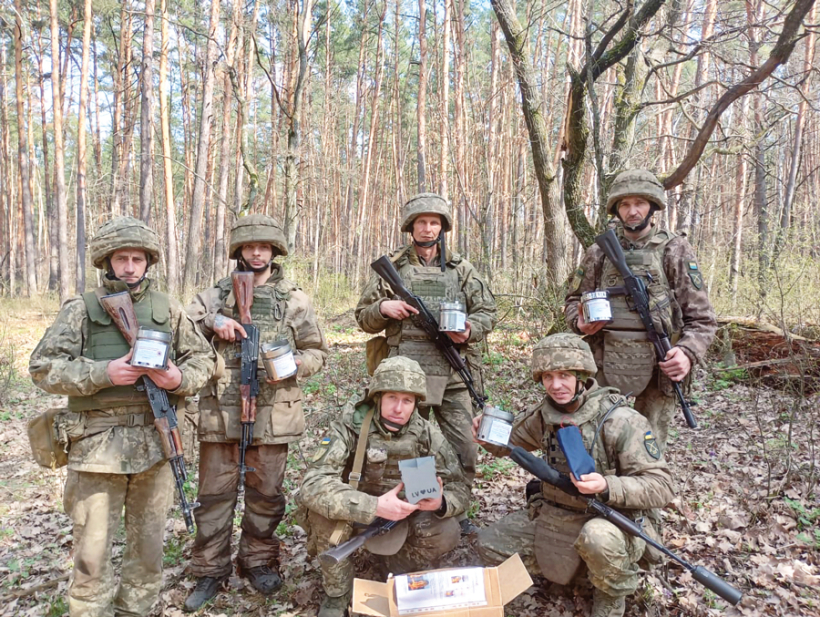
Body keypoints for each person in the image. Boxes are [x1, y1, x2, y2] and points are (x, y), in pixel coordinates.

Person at [29, 217, 215, 617]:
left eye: (137, 259)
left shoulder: (169, 308)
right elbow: (43, 367)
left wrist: (177, 376)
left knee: (147, 551)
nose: (129, 267)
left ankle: (138, 610)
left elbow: (205, 360)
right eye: (121, 258)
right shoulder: (82, 309)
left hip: (157, 445)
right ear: (107, 262)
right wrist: (103, 373)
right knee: (91, 554)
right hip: (97, 450)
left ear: (148, 262)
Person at [183, 214, 328, 611]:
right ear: (239, 252)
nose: (257, 252)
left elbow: (317, 350)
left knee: (266, 494)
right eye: (250, 247)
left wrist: (296, 364)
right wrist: (216, 323)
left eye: (264, 246)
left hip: (272, 412)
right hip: (222, 411)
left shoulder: (295, 299)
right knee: (214, 496)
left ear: (275, 251)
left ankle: (258, 560)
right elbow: (183, 330)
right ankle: (209, 569)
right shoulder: (214, 296)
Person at [473, 333, 675, 617]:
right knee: (490, 544)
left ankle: (609, 595)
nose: (556, 386)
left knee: (598, 539)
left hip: (607, 518)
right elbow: (509, 443)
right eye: (548, 377)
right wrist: (486, 434)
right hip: (558, 514)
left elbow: (662, 485)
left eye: (565, 375)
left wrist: (608, 484)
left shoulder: (619, 420)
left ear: (582, 376)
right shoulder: (544, 416)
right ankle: (576, 573)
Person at [355, 193, 496, 535]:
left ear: (443, 227)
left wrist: (469, 330)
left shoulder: (462, 269)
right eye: (421, 222)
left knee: (463, 448)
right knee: (412, 447)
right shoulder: (392, 268)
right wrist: (383, 310)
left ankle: (456, 511)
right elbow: (363, 316)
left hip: (452, 375)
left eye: (434, 222)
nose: (428, 228)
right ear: (411, 227)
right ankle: (417, 507)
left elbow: (487, 312)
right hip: (405, 377)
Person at [298, 356, 470, 617]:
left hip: (401, 516)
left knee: (445, 530)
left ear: (416, 403)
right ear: (377, 396)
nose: (398, 408)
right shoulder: (350, 426)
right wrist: (373, 505)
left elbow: (459, 486)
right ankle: (338, 592)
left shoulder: (426, 434)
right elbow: (313, 484)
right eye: (392, 397)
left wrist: (441, 502)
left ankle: (392, 566)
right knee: (322, 515)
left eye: (407, 400)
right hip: (354, 512)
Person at [564, 169, 717, 449]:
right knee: (598, 445)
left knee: (647, 451)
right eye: (624, 204)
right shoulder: (598, 253)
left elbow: (703, 320)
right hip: (604, 362)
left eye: (639, 203)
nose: (632, 211)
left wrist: (686, 353)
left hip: (658, 366)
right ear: (616, 209)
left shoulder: (675, 250)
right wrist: (580, 323)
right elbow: (573, 300)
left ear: (652, 206)